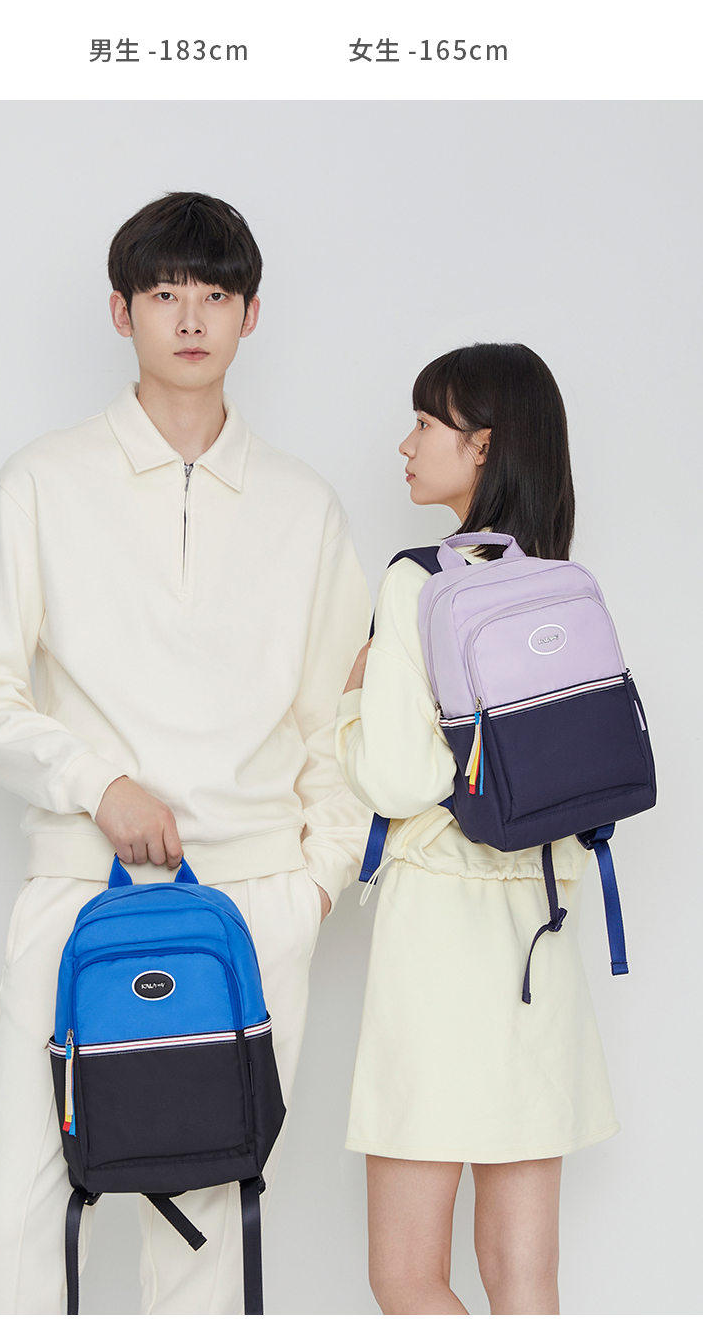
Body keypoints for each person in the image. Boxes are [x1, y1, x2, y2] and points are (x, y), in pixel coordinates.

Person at [0, 191, 370, 1314]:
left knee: (211, 1220)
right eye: (165, 292)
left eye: (214, 294)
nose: (190, 317)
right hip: (83, 887)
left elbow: (336, 718)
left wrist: (317, 883)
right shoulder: (41, 481)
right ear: (120, 310)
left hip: (255, 901)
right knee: (23, 1209)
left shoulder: (303, 504)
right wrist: (98, 784)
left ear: (251, 314)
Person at [335, 342, 620, 1316]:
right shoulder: (558, 584)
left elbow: (399, 776)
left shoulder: (418, 582)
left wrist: (352, 698)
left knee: (406, 1273)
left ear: (483, 444)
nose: (405, 444)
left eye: (425, 422)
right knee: (525, 1278)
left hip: (438, 942)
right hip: (541, 935)